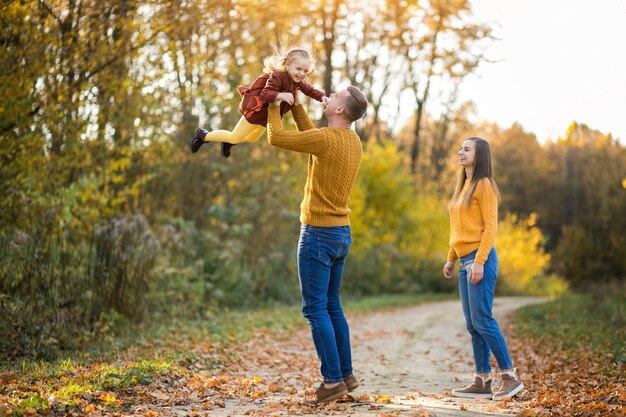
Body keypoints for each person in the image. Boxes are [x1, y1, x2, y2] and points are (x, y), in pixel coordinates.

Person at [266, 86, 368, 403]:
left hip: (318, 234)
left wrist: (272, 105)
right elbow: (314, 139)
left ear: (340, 110)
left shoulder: (327, 139)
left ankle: (332, 382)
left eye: (335, 96)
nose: (329, 97)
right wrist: (297, 105)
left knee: (315, 310)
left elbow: (276, 138)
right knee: (332, 306)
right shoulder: (353, 141)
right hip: (341, 234)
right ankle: (346, 374)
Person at [442, 137, 524, 401]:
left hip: (480, 260)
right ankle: (482, 380)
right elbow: (459, 230)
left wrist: (479, 261)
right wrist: (451, 259)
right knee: (472, 324)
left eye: (467, 149)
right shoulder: (463, 186)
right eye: (461, 148)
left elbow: (490, 227)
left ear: (480, 156)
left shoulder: (484, 185)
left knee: (483, 319)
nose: (460, 151)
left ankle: (510, 377)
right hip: (465, 261)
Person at [189, 45, 328, 158]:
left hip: (266, 115)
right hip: (257, 110)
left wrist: (322, 97)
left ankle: (229, 142)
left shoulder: (297, 81)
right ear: (287, 65)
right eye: (298, 69)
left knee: (252, 138)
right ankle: (203, 135)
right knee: (234, 137)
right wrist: (280, 95)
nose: (302, 74)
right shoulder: (278, 76)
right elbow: (265, 94)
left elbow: (310, 90)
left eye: (305, 71)